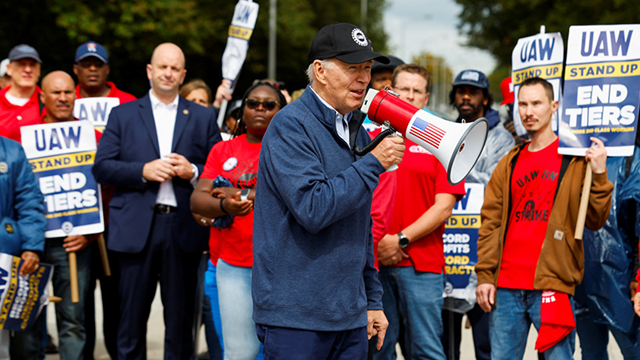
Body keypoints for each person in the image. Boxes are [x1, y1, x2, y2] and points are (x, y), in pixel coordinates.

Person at [252, 23, 404, 359]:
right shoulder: (290, 125)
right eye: (352, 68)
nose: (364, 78)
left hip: (348, 316)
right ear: (320, 71)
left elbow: (360, 226)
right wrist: (373, 163)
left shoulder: (356, 132)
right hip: (296, 318)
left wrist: (372, 300)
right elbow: (313, 208)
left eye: (367, 68)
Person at [92, 43, 222, 360]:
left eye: (174, 68)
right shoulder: (122, 114)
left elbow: (220, 171)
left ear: (183, 75)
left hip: (183, 230)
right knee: (130, 322)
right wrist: (143, 170)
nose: (167, 73)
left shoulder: (203, 117)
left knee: (180, 324)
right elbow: (102, 167)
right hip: (136, 229)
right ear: (150, 70)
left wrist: (192, 171)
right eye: (162, 66)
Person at [475, 77, 613, 360]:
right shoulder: (510, 161)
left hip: (553, 284)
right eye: (523, 104)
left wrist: (599, 174)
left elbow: (596, 220)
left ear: (554, 106)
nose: (528, 111)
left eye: (536, 103)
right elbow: (491, 223)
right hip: (506, 286)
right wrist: (485, 275)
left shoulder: (574, 160)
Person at [373, 64, 466, 360]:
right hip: (374, 264)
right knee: (379, 349)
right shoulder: (367, 137)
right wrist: (378, 245)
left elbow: (444, 206)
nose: (410, 96)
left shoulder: (444, 142)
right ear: (391, 92)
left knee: (426, 350)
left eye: (417, 91)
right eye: (404, 89)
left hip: (421, 264)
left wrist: (399, 239)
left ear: (426, 98)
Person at [191, 81, 287, 360]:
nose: (260, 108)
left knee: (277, 352)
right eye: (252, 103)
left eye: (269, 105)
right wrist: (224, 204)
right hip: (232, 265)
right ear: (242, 109)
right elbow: (198, 201)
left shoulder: (290, 148)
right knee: (238, 352)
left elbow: (289, 198)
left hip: (280, 268)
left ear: (280, 111)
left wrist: (235, 192)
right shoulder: (222, 150)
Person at [11, 71, 100, 360]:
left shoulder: (93, 137)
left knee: (74, 320)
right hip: (30, 244)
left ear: (76, 95)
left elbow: (106, 192)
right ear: (42, 97)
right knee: (27, 319)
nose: (63, 99)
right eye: (56, 93)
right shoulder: (23, 138)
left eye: (68, 93)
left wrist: (92, 229)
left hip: (75, 243)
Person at [441, 69, 514, 360]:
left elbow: (497, 185)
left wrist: (455, 176)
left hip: (485, 249)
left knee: (486, 345)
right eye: (461, 91)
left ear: (486, 98)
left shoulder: (501, 138)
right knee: (446, 345)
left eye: (473, 91)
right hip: (450, 250)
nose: (466, 97)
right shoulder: (445, 133)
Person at [72, 40, 136, 360]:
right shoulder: (62, 102)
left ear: (108, 69)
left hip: (117, 221)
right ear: (76, 71)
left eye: (98, 64)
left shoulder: (128, 104)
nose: (93, 69)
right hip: (76, 222)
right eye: (86, 64)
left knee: (117, 301)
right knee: (78, 301)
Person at [574, 130, 640, 359]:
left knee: (632, 348)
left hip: (619, 278)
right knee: (591, 352)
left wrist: (637, 275)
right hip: (580, 277)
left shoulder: (631, 159)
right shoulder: (571, 156)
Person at [179, 78, 224, 360]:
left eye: (202, 102)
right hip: (180, 234)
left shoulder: (218, 142)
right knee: (185, 309)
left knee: (210, 310)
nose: (197, 107)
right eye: (191, 101)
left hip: (212, 240)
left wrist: (193, 171)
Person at [0, 134, 46, 360]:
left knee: (2, 341)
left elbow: (29, 200)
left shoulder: (10, 151)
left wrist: (31, 247)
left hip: (4, 254)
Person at [0, 45, 44, 142]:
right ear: (9, 69)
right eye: (21, 64)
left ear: (39, 70)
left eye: (32, 65)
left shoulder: (49, 102)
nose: (28, 70)